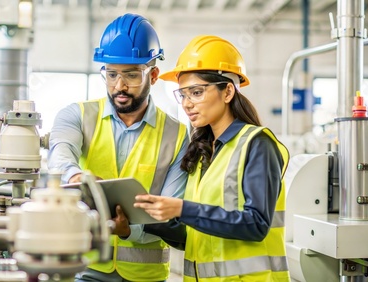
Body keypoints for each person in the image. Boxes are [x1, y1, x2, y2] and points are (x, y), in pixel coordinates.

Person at [134, 35, 291, 281]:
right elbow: (195, 237)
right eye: (182, 95)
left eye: (196, 92)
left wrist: (182, 208)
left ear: (228, 91)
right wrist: (144, 220)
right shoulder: (203, 153)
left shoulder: (257, 144)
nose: (187, 104)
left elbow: (256, 224)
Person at [47, 13, 189, 282]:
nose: (119, 86)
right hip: (86, 267)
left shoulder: (178, 134)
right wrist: (77, 177)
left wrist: (127, 231)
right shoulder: (76, 115)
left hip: (146, 275)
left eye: (131, 75)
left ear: (154, 74)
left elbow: (170, 218)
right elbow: (59, 155)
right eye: (111, 74)